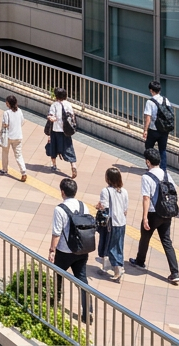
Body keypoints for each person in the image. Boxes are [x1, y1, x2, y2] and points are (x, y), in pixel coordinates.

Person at [130, 148, 179, 284]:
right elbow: (173, 191)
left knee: (145, 237)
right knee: (167, 242)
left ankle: (140, 261)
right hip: (166, 213)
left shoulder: (147, 177)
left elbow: (146, 198)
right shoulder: (166, 174)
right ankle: (175, 272)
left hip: (153, 213)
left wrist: (145, 217)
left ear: (147, 162)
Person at [48, 178, 92, 321]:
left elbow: (56, 233)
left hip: (64, 251)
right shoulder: (83, 206)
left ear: (62, 192)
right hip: (81, 250)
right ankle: (87, 312)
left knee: (58, 275)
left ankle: (55, 302)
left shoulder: (59, 209)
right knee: (82, 279)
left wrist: (52, 250)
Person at [96, 166, 128, 281]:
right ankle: (112, 266)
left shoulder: (106, 191)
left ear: (108, 179)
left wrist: (98, 206)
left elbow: (104, 207)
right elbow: (125, 209)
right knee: (119, 245)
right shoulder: (124, 191)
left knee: (110, 246)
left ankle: (117, 268)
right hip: (121, 223)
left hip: (111, 223)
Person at [46, 87, 78, 178]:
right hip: (66, 131)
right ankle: (73, 165)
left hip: (55, 130)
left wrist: (50, 117)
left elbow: (52, 117)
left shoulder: (54, 105)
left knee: (53, 147)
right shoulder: (68, 104)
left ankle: (54, 165)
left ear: (56, 96)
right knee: (69, 147)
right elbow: (72, 116)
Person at [142, 80, 173, 172]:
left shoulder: (150, 102)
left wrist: (145, 130)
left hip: (153, 129)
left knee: (149, 148)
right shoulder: (165, 100)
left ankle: (151, 167)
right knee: (162, 150)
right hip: (164, 130)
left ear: (151, 90)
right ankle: (162, 169)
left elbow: (148, 117)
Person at [0, 95, 27, 180]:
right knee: (18, 155)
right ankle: (23, 172)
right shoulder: (19, 111)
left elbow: (6, 124)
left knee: (5, 153)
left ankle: (4, 169)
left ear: (9, 103)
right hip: (18, 136)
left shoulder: (6, 113)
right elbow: (22, 121)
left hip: (8, 136)